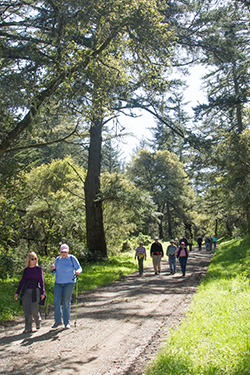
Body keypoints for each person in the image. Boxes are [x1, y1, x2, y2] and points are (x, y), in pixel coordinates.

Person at [51, 243, 82, 329]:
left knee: (66, 302)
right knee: (56, 301)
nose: (63, 253)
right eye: (62, 252)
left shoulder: (72, 258)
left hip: (69, 282)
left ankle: (66, 322)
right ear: (60, 252)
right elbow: (55, 272)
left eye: (65, 252)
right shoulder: (57, 259)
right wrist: (53, 269)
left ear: (68, 251)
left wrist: (78, 272)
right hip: (58, 283)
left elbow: (79, 267)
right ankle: (58, 321)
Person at [14, 252, 46, 334]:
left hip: (35, 290)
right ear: (29, 260)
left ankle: (37, 320)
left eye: (35, 259)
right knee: (26, 309)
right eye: (32, 259)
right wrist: (17, 292)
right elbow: (22, 281)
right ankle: (28, 327)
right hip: (26, 291)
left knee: (33, 308)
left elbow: (41, 281)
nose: (34, 260)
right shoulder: (26, 270)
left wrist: (43, 292)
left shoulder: (38, 269)